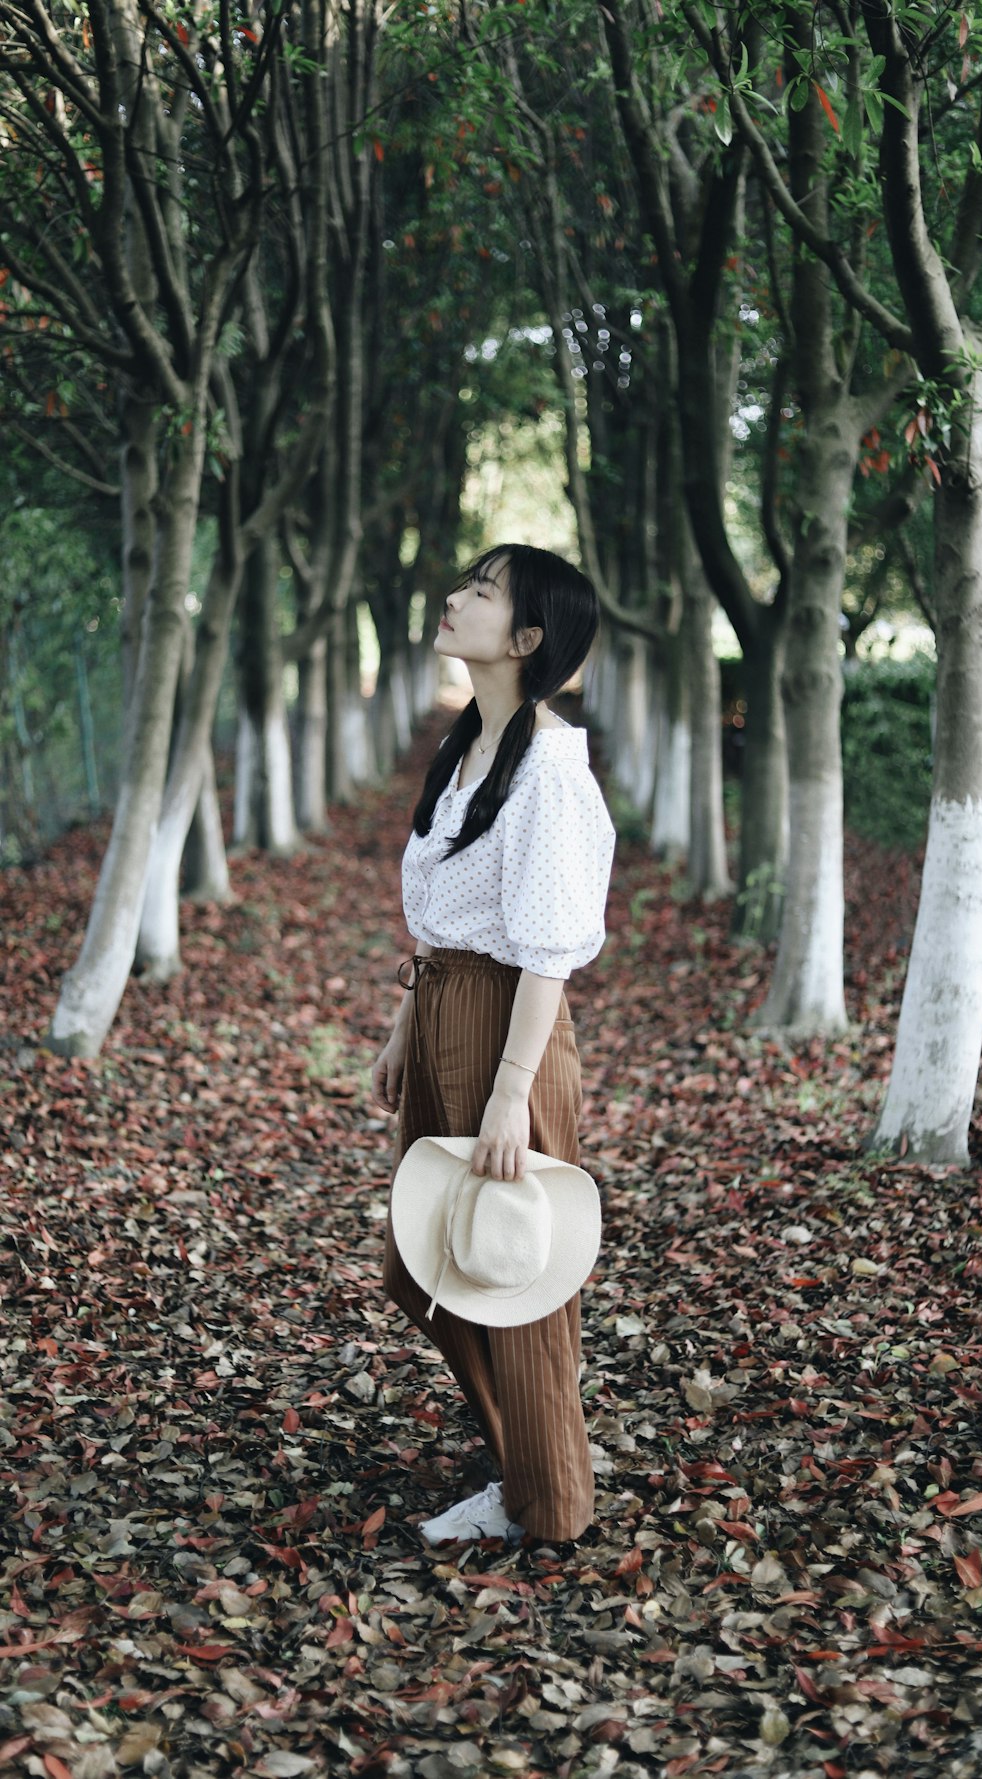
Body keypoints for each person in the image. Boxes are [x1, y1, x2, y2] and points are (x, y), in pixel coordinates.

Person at [372, 543, 615, 1548]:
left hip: (509, 1023)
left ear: (526, 639)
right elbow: (449, 917)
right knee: (421, 1259)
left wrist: (512, 1091)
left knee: (511, 1269)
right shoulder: (469, 742)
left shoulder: (550, 767)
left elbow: (546, 949)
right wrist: (405, 1020)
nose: (452, 597)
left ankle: (547, 1505)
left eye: (479, 592)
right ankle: (523, 1466)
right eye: (463, 583)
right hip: (446, 1008)